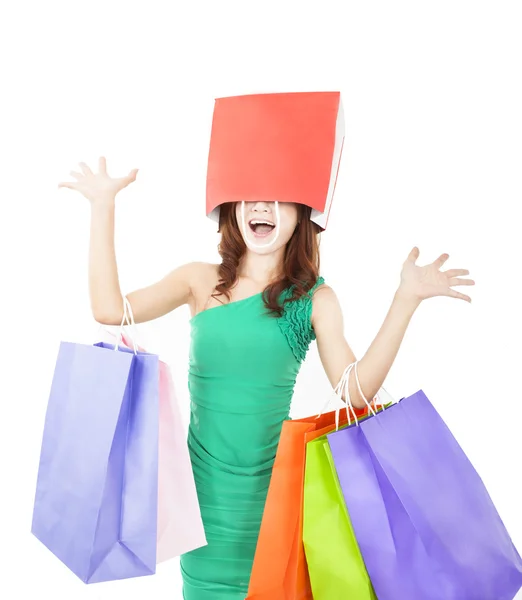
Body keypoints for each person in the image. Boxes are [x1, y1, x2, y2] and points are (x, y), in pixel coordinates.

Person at [58, 156, 474, 599]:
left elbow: (354, 393)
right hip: (203, 508)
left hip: (273, 504)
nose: (263, 206)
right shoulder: (199, 280)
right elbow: (109, 311)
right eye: (251, 197)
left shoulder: (315, 299)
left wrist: (405, 300)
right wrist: (103, 206)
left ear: (302, 216)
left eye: (279, 199)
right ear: (233, 210)